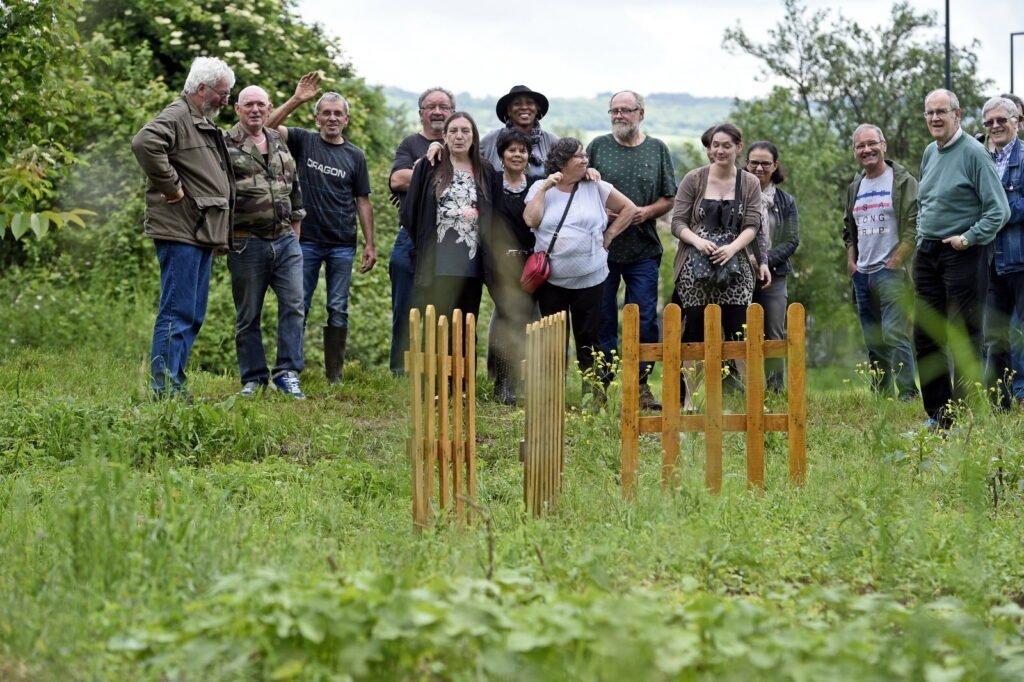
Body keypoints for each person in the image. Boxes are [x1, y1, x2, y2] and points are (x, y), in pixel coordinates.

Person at [131, 56, 235, 400]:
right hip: (181, 230)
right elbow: (144, 143)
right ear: (202, 89)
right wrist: (171, 187)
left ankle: (175, 385)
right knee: (177, 312)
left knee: (192, 312)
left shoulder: (199, 120)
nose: (226, 100)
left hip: (200, 230)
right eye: (223, 93)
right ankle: (164, 392)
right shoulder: (178, 115)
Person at [266, 74, 377, 385]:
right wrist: (296, 99)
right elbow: (268, 128)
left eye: (337, 113)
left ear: (346, 119)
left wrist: (370, 244)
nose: (331, 118)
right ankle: (289, 371)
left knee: (338, 308)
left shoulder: (355, 155)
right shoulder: (303, 141)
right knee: (297, 304)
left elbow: (363, 201)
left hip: (343, 244)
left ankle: (335, 376)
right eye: (326, 112)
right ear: (317, 117)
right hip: (305, 241)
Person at [914, 88, 1010, 429]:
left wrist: (967, 238)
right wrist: (921, 234)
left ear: (957, 114)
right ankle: (938, 415)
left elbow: (999, 210)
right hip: (928, 251)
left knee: (964, 334)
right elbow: (927, 199)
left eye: (942, 111)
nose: (935, 118)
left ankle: (964, 415)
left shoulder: (974, 153)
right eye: (929, 113)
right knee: (926, 333)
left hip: (963, 252)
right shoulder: (930, 152)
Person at [523, 137, 637, 401]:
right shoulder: (541, 187)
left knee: (589, 338)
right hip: (552, 280)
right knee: (552, 340)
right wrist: (544, 188)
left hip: (591, 279)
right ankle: (551, 396)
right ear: (562, 162)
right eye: (579, 156)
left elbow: (629, 209)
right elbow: (531, 219)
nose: (585, 159)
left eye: (585, 155)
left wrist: (608, 237)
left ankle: (595, 395)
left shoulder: (596, 186)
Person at [587, 91, 677, 409]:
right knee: (602, 319)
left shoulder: (657, 149)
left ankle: (640, 386)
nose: (620, 116)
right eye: (615, 110)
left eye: (627, 110)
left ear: (641, 113)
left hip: (643, 249)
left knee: (644, 320)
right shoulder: (597, 146)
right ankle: (600, 386)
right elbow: (581, 187)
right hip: (602, 250)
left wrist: (647, 212)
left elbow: (670, 197)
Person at [224, 85, 307, 398]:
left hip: (286, 240)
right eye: (249, 105)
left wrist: (296, 235)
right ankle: (253, 378)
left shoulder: (277, 140)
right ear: (238, 109)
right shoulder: (224, 143)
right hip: (246, 242)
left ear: (268, 107)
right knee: (248, 315)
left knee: (294, 306)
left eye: (261, 104)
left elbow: (294, 187)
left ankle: (287, 374)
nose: (255, 110)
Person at [670, 123, 762, 361]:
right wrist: (698, 242)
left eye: (726, 146)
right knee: (694, 333)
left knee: (738, 333)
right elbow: (677, 223)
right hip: (694, 266)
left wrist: (732, 248)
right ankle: (690, 397)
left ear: (738, 148)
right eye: (715, 145)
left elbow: (753, 225)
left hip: (736, 267)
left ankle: (739, 394)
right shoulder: (694, 179)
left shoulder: (750, 182)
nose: (720, 151)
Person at [842, 124, 918, 400]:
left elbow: (915, 224)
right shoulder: (855, 186)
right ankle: (881, 395)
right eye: (860, 146)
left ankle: (908, 393)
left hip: (892, 273)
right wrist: (852, 263)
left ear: (884, 145)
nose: (867, 150)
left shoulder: (902, 181)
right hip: (863, 274)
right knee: (874, 340)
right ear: (855, 151)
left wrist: (897, 260)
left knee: (894, 335)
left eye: (872, 143)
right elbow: (847, 230)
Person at [387, 87, 456, 374]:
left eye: (444, 106)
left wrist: (421, 174)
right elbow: (397, 179)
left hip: (450, 239)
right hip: (412, 236)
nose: (437, 111)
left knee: (444, 310)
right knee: (407, 306)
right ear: (421, 113)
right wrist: (433, 173)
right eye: (431, 106)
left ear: (452, 112)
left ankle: (437, 370)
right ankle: (401, 371)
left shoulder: (461, 144)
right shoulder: (411, 143)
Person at [401, 112, 493, 324]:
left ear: (474, 136)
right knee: (436, 325)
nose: (459, 136)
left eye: (465, 131)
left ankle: (464, 359)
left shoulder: (485, 170)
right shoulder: (429, 165)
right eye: (453, 131)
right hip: (436, 262)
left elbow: (493, 214)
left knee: (466, 326)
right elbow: (410, 212)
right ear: (444, 136)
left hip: (471, 263)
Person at [484, 129, 541, 404]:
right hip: (497, 263)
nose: (517, 155)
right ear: (502, 155)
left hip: (529, 265)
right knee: (509, 314)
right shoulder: (491, 182)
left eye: (522, 150)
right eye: (511, 150)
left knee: (524, 317)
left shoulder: (537, 184)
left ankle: (513, 379)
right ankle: (503, 383)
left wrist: (591, 174)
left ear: (528, 156)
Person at [980, 97, 1024, 409]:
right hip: (990, 263)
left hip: (1021, 259)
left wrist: (996, 213)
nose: (996, 126)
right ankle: (1000, 403)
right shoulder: (981, 159)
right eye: (990, 122)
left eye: (1001, 120)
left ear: (1016, 122)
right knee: (995, 336)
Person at [746, 141, 799, 392]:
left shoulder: (786, 201)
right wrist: (749, 260)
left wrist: (764, 261)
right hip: (739, 274)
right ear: (746, 163)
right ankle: (737, 388)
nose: (759, 168)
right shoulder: (736, 195)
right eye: (754, 162)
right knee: (736, 332)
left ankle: (775, 390)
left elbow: (792, 240)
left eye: (765, 163)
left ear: (775, 165)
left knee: (774, 332)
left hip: (774, 276)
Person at [480, 85, 559, 176]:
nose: (524, 107)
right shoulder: (490, 140)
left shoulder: (552, 142)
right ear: (508, 111)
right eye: (517, 104)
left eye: (529, 103)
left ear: (537, 109)